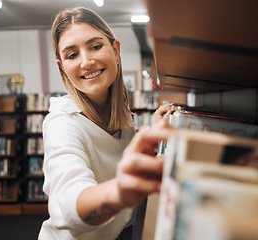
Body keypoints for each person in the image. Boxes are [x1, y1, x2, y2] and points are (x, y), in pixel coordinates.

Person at [38, 7, 174, 240]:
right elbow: (67, 200)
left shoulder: (120, 110)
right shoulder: (61, 123)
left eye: (95, 46)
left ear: (115, 49)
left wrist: (152, 135)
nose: (87, 61)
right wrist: (119, 192)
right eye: (72, 55)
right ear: (63, 68)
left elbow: (116, 155)